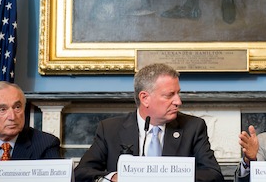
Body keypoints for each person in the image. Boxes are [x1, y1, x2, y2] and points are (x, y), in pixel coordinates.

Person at [74, 63, 224, 182]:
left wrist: (169, 178)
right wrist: (113, 177)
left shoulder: (193, 127)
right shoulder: (110, 129)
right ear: (145, 98)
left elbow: (213, 175)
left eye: (178, 93)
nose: (178, 101)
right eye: (169, 95)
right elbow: (82, 173)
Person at [0, 81, 61, 179]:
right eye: (2, 109)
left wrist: (3, 173)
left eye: (17, 107)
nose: (12, 116)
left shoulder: (46, 143)